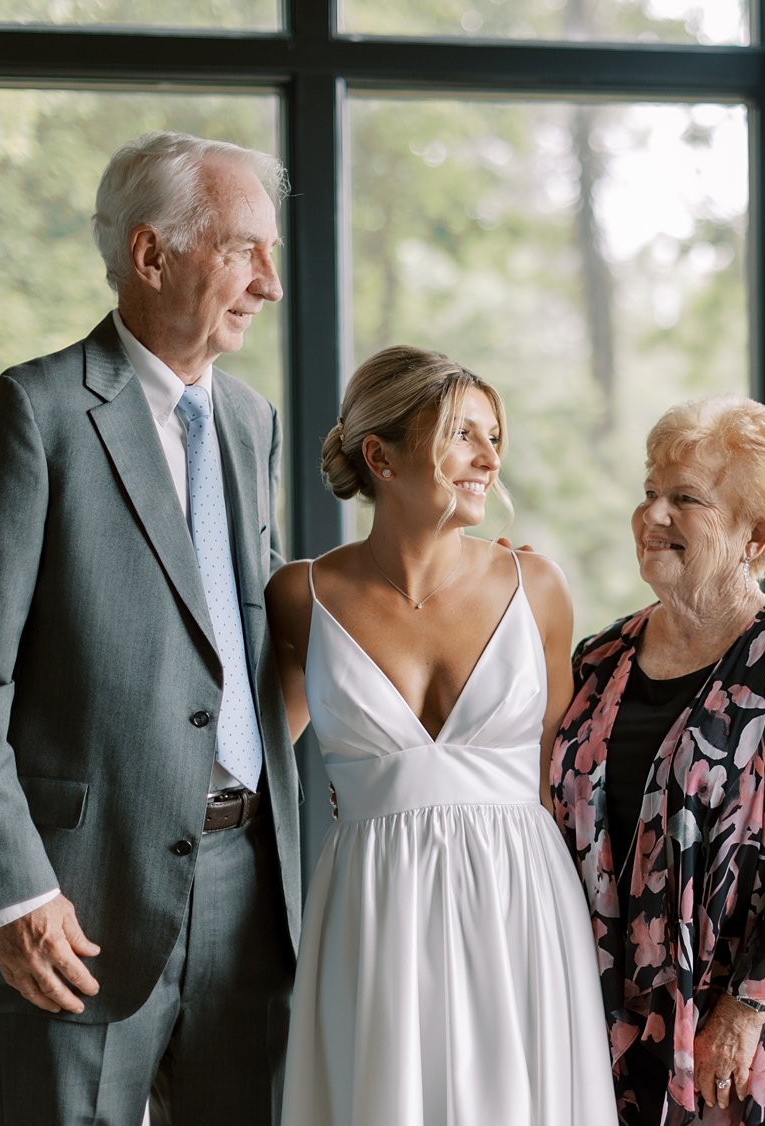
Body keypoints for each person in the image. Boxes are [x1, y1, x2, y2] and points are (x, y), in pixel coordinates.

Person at [0, 131, 300, 1125]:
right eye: (246, 250)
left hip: (250, 897)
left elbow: (239, 647)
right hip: (71, 907)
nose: (272, 284)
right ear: (151, 254)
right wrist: (13, 893)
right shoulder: (29, 414)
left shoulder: (252, 423)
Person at [266, 345, 617, 1126]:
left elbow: (561, 774)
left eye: (495, 437)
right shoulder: (302, 595)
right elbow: (254, 761)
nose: (489, 458)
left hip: (519, 899)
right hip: (372, 901)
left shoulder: (538, 586)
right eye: (463, 434)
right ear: (380, 457)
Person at [551, 395, 765, 1126]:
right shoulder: (601, 658)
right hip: (597, 1012)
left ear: (755, 535)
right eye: (649, 493)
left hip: (735, 1038)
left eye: (685, 500)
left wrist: (747, 1004)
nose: (652, 515)